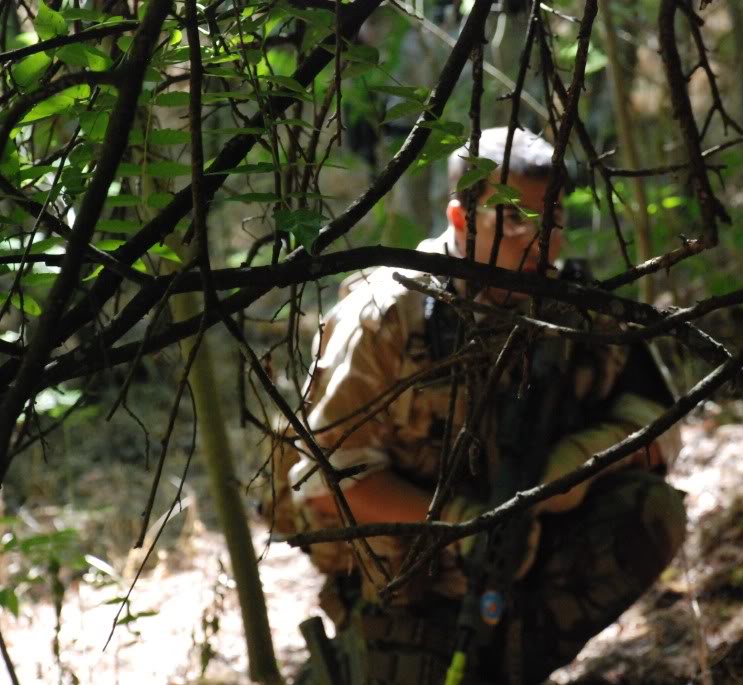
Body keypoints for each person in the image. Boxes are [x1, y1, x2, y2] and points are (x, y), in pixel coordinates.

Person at [281, 127, 687, 684]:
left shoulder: (570, 306)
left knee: (650, 514)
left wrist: (575, 463)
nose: (542, 245)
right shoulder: (388, 314)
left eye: (554, 222)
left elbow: (659, 426)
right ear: (460, 219)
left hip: (531, 557)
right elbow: (320, 481)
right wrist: (461, 524)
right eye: (516, 221)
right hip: (410, 588)